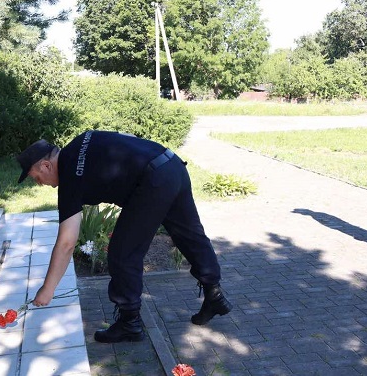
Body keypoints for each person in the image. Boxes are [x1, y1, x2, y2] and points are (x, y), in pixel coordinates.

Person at [17, 130, 232, 342]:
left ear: (46, 166)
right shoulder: (84, 138)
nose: (41, 184)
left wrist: (48, 289)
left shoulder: (70, 179)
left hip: (153, 182)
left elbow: (66, 243)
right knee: (190, 234)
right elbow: (129, 138)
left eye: (37, 178)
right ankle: (214, 294)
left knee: (123, 253)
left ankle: (129, 323)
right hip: (171, 165)